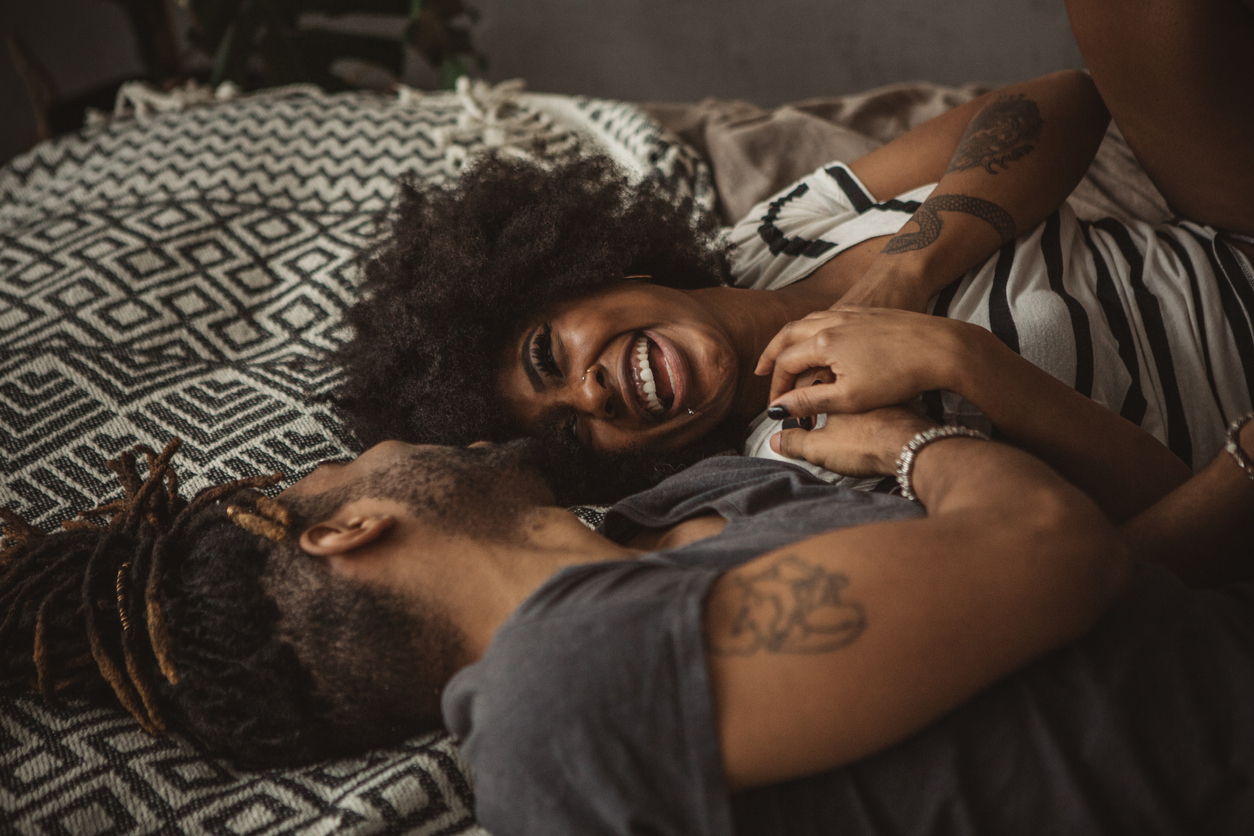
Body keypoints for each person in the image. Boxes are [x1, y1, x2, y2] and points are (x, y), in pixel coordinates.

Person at [3, 395, 1253, 832]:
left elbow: (1119, 598)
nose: (384, 444)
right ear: (344, 528)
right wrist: (917, 443)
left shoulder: (694, 502)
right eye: (327, 470)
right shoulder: (556, 691)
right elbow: (1047, 551)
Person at [335, 0, 1254, 505]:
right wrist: (963, 365)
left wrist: (905, 272)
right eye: (568, 429)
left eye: (550, 355)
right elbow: (1170, 520)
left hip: (1223, 227)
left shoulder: (766, 237)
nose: (590, 391)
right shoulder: (795, 456)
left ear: (582, 271)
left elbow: (1061, 104)